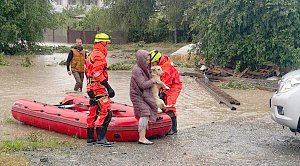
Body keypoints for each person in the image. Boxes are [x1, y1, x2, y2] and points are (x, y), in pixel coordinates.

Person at [85, 33, 115, 146]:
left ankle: (90, 138)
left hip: (90, 86)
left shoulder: (91, 54)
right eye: (107, 43)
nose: (107, 46)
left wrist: (89, 87)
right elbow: (97, 73)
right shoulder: (99, 56)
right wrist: (108, 87)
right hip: (98, 87)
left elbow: (88, 72)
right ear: (103, 43)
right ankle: (101, 138)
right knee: (106, 112)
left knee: (93, 111)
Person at [150, 50, 182, 135]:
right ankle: (166, 125)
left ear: (157, 60)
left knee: (169, 106)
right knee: (163, 104)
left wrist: (162, 93)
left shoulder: (166, 68)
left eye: (153, 63)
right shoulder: (163, 63)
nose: (152, 65)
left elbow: (166, 82)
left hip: (173, 87)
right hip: (167, 85)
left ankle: (174, 128)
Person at [130, 49, 158, 145]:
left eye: (149, 59)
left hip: (143, 94)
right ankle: (142, 138)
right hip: (137, 95)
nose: (148, 61)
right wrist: (153, 81)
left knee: (150, 108)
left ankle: (144, 133)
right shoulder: (137, 70)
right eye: (146, 59)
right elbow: (142, 84)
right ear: (141, 59)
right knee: (145, 112)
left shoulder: (145, 68)